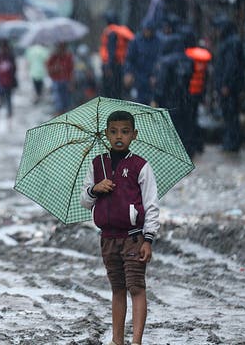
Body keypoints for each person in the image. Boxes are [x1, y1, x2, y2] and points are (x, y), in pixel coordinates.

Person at [80, 110, 159, 345]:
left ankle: (136, 341)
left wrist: (149, 238)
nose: (119, 136)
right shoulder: (97, 164)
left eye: (125, 132)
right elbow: (85, 201)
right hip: (108, 238)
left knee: (136, 287)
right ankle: (117, 340)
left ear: (134, 135)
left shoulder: (140, 166)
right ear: (106, 134)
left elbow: (151, 204)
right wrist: (96, 189)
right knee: (117, 289)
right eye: (113, 131)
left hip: (133, 237)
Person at [153, 34, 195, 156]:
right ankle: (186, 151)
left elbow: (162, 83)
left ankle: (171, 152)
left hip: (169, 100)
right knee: (184, 127)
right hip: (185, 100)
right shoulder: (188, 60)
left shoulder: (166, 62)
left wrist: (156, 97)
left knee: (169, 128)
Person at [213, 16, 245, 152]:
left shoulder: (231, 43)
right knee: (229, 115)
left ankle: (232, 143)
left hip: (230, 87)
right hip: (230, 86)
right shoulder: (230, 41)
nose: (216, 32)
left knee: (230, 115)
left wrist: (226, 84)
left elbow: (231, 66)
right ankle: (231, 142)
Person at [181, 25, 212, 155]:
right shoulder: (202, 56)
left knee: (188, 121)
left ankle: (190, 146)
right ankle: (196, 144)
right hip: (198, 92)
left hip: (188, 93)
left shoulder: (187, 56)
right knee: (194, 119)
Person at [124, 19, 161, 105]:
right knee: (139, 102)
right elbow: (130, 59)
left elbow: (160, 60)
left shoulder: (158, 41)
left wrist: (156, 75)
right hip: (139, 76)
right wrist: (128, 72)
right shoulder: (136, 41)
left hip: (152, 78)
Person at [100, 11, 134, 99]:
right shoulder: (118, 31)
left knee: (111, 93)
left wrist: (109, 67)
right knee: (117, 91)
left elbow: (111, 51)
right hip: (119, 64)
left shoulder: (112, 33)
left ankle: (111, 110)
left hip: (113, 66)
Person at [46, 42, 74, 116]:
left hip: (66, 81)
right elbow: (49, 70)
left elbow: (71, 70)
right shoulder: (53, 57)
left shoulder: (68, 56)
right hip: (56, 81)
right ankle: (59, 115)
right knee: (58, 102)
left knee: (67, 102)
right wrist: (55, 68)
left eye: (63, 47)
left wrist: (71, 82)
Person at [0, 39, 18, 118]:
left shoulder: (10, 57)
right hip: (0, 82)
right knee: (1, 97)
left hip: (8, 82)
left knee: (8, 98)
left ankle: (8, 112)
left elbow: (14, 69)